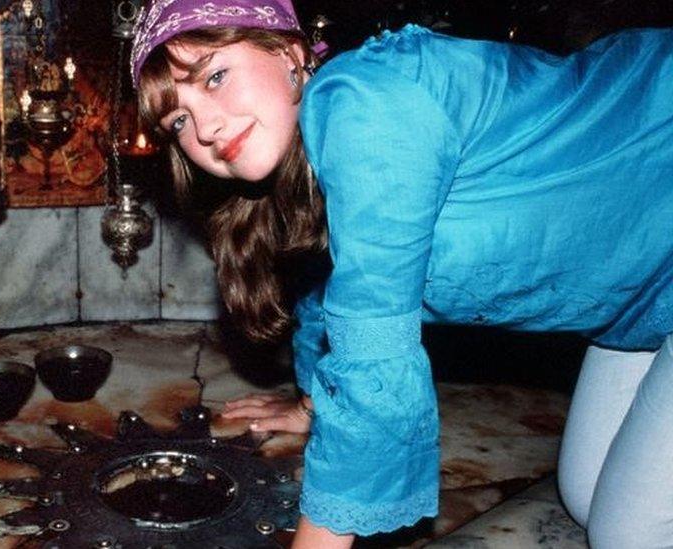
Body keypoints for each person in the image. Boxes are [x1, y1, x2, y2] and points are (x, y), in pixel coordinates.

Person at [130, 1, 673, 547]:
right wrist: (312, 404)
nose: (205, 128)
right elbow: (334, 294)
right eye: (178, 119)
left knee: (629, 533)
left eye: (215, 76)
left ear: (289, 53)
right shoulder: (309, 162)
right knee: (583, 494)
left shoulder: (368, 106)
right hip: (644, 282)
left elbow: (373, 350)